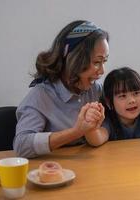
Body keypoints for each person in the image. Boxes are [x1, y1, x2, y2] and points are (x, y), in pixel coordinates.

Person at [13, 20, 109, 158]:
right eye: (96, 62)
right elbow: (21, 146)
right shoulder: (41, 95)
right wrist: (76, 131)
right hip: (51, 173)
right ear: (74, 59)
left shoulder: (95, 90)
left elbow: (122, 107)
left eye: (104, 61)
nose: (102, 71)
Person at [100, 67, 140, 141]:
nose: (132, 100)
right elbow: (97, 139)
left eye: (136, 93)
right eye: (123, 96)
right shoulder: (108, 121)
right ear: (109, 102)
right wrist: (90, 128)